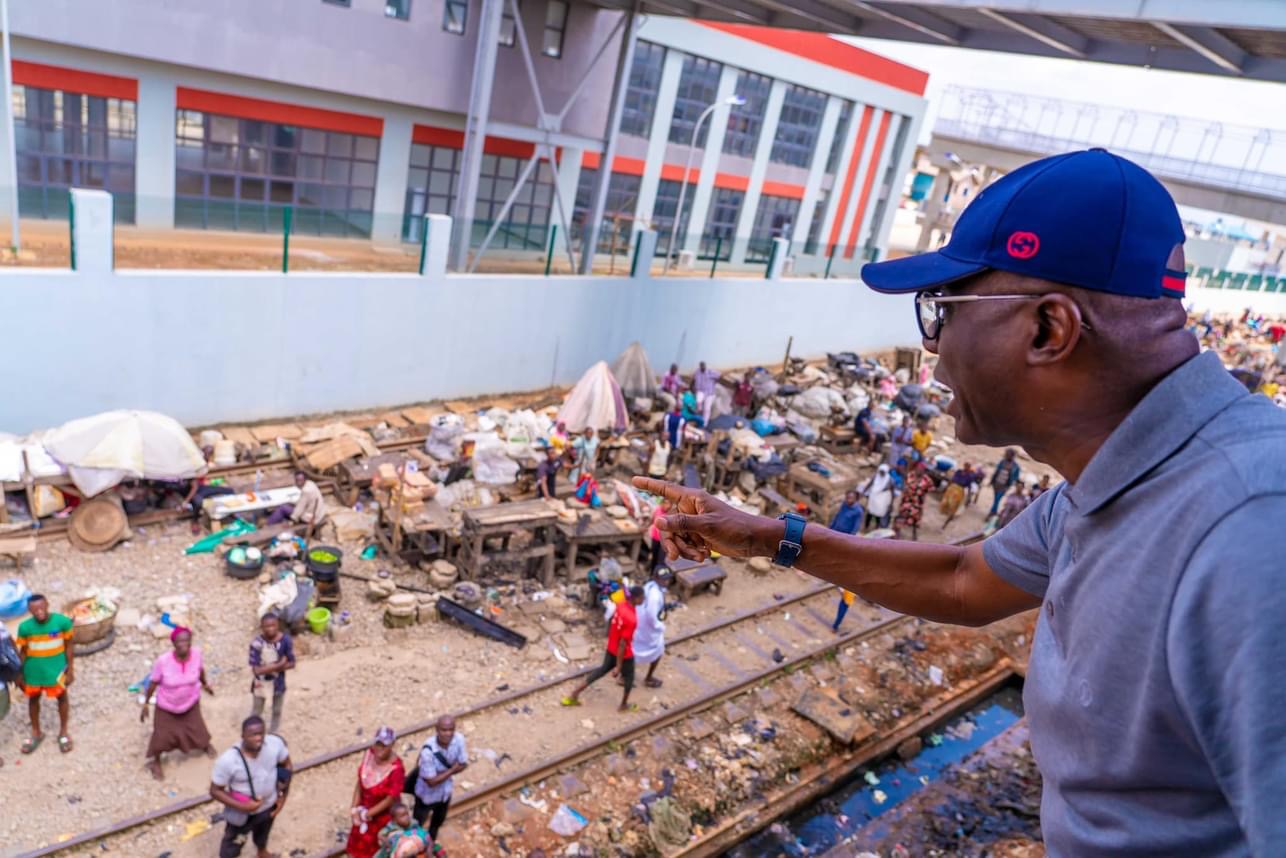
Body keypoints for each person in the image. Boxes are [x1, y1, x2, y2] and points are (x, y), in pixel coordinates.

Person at [635, 149, 1286, 855]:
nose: (931, 350)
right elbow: (964, 580)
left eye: (942, 311)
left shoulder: (1252, 530)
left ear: (1048, 330)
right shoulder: (1108, 482)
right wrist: (768, 539)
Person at [210, 715, 292, 858]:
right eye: (253, 734)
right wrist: (244, 807)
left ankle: (262, 852)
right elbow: (215, 791)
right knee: (234, 844)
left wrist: (282, 796)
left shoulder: (274, 745)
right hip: (243, 814)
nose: (258, 738)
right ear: (243, 736)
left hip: (268, 807)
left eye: (261, 733)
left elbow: (287, 766)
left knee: (263, 834)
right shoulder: (228, 761)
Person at [140, 626, 215, 780]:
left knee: (196, 728)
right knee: (162, 736)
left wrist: (205, 684)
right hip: (167, 705)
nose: (183, 644)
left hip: (190, 701)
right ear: (173, 643)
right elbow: (153, 683)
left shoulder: (197, 654)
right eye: (179, 641)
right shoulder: (163, 661)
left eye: (186, 641)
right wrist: (146, 704)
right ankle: (156, 762)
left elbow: (200, 671)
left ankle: (205, 745)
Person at [562, 585, 643, 712]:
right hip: (624, 654)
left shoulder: (621, 603)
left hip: (611, 647)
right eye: (642, 598)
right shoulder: (632, 619)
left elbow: (613, 594)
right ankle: (623, 705)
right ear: (636, 598)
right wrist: (618, 666)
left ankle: (574, 694)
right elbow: (623, 644)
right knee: (630, 677)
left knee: (600, 671)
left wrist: (622, 589)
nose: (643, 600)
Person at [15, 594, 74, 754]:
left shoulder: (62, 622)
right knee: (33, 700)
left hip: (56, 670)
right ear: (29, 610)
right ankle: (36, 732)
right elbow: (24, 651)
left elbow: (69, 647)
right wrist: (19, 674)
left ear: (47, 604)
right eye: (34, 610)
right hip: (33, 670)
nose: (39, 612)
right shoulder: (25, 627)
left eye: (41, 607)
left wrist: (70, 670)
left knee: (62, 697)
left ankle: (63, 732)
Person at [346, 726, 407, 858]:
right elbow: (361, 782)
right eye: (377, 744)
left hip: (380, 818)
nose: (379, 749)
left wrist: (367, 814)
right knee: (358, 845)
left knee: (377, 849)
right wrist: (354, 808)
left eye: (384, 746)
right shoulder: (370, 754)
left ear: (392, 745)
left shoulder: (396, 769)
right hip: (364, 811)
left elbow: (390, 799)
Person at [411, 715, 468, 842]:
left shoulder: (459, 739)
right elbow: (431, 782)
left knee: (436, 824)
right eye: (444, 730)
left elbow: (464, 764)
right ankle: (415, 847)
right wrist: (452, 769)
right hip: (426, 796)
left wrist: (441, 775)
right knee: (417, 826)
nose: (448, 734)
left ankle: (429, 846)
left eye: (451, 730)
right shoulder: (428, 751)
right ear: (436, 729)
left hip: (444, 794)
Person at [248, 612, 295, 734]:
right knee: (257, 710)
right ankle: (253, 733)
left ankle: (273, 733)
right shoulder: (257, 643)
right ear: (262, 628)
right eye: (266, 627)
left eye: (273, 625)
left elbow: (292, 663)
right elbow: (256, 670)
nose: (270, 629)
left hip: (278, 683)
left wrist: (268, 668)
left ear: (278, 625)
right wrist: (279, 665)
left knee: (277, 710)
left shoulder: (285, 641)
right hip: (260, 683)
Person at [631, 569, 672, 689]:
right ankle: (648, 677)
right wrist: (659, 627)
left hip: (639, 625)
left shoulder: (649, 586)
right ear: (656, 578)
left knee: (632, 650)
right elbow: (650, 614)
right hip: (648, 628)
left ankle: (624, 674)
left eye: (667, 578)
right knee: (658, 650)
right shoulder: (654, 595)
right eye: (664, 579)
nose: (667, 581)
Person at [267, 471, 327, 536]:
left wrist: (293, 520)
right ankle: (274, 519)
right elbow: (305, 501)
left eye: (300, 480)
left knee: (282, 508)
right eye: (297, 480)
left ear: (305, 480)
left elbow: (299, 509)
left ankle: (268, 524)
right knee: (289, 504)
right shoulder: (311, 483)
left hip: (312, 518)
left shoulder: (306, 491)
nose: (298, 483)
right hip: (319, 513)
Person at [893, 460, 934, 541]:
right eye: (918, 468)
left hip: (917, 503)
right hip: (907, 500)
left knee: (915, 520)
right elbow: (905, 485)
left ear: (924, 470)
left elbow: (928, 491)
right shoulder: (910, 475)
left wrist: (922, 501)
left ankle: (914, 536)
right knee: (901, 517)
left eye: (921, 469)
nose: (919, 470)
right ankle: (896, 533)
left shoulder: (927, 480)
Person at [858, 465, 895, 532]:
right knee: (870, 513)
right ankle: (866, 528)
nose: (881, 473)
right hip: (873, 497)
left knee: (879, 514)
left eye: (883, 472)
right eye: (880, 471)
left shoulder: (890, 479)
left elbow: (892, 491)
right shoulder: (876, 476)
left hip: (882, 499)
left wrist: (891, 503)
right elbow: (869, 484)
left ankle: (876, 529)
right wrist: (863, 492)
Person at [987, 448, 1021, 517]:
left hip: (1005, 486)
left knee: (997, 499)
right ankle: (994, 511)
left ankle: (991, 513)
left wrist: (1013, 483)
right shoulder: (1002, 462)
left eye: (1007, 454)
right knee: (996, 499)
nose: (1006, 455)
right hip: (996, 484)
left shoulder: (1016, 466)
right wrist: (991, 481)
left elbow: (1016, 477)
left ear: (1012, 455)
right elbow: (996, 472)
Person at [693, 361, 720, 425]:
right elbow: (694, 380)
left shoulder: (710, 372)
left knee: (707, 409)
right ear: (700, 366)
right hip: (700, 391)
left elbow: (718, 376)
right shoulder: (697, 372)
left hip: (709, 393)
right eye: (701, 366)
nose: (703, 367)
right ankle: (697, 418)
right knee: (698, 403)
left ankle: (704, 423)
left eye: (704, 366)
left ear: (705, 366)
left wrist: (714, 382)